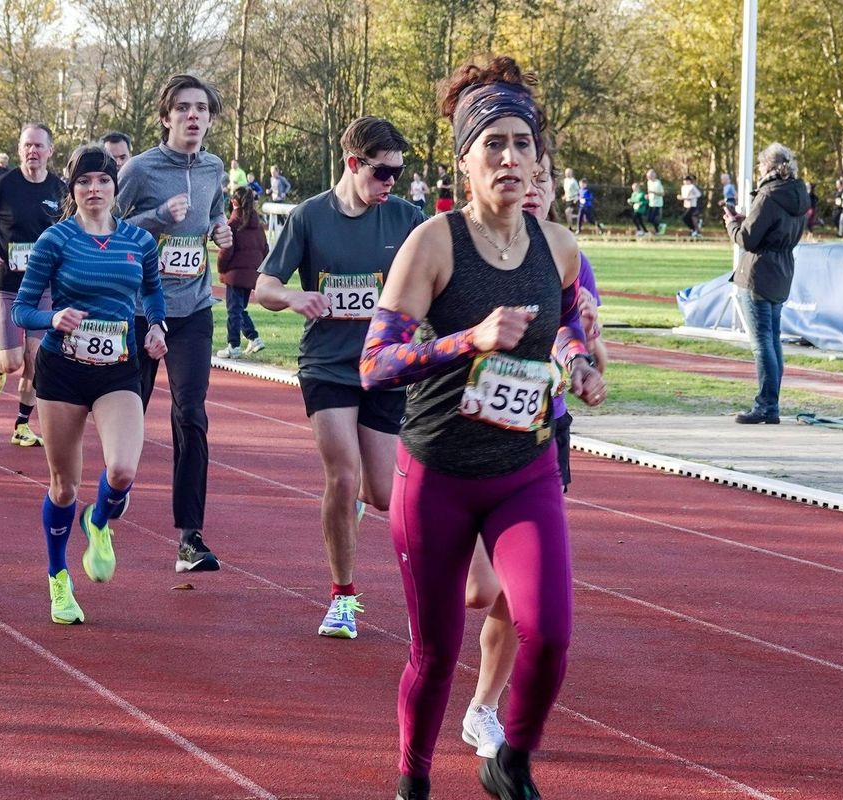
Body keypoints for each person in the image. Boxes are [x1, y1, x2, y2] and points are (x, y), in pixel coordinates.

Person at [357, 55, 604, 800]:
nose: (509, 158)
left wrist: (580, 364)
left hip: (521, 470)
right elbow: (375, 365)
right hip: (435, 476)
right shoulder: (433, 245)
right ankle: (414, 781)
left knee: (551, 631)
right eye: (492, 144)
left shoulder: (558, 248)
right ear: (463, 159)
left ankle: (511, 761)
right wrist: (470, 339)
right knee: (436, 652)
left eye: (522, 144)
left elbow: (565, 332)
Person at [458, 145, 608, 764]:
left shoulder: (570, 257)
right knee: (475, 592)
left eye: (546, 180)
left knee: (520, 595)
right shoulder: (467, 249)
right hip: (463, 442)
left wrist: (584, 359)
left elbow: (593, 351)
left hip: (540, 438)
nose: (535, 188)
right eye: (530, 178)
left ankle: (483, 706)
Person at [256, 115, 424, 639]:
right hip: (327, 367)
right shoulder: (309, 218)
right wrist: (293, 296)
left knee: (379, 493)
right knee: (343, 475)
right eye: (382, 173)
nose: (390, 182)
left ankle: (349, 515)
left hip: (384, 369)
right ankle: (342, 597)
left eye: (398, 172)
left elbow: (440, 278)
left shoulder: (408, 219)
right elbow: (263, 286)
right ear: (353, 164)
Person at [11, 144, 167, 624]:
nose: (93, 189)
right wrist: (52, 317)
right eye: (84, 182)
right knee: (63, 486)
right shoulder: (55, 241)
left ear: (115, 188)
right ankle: (58, 579)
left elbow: (153, 291)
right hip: (62, 372)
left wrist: (158, 328)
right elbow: (22, 309)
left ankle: (98, 520)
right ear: (72, 190)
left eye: (102, 181)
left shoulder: (138, 241)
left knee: (122, 471)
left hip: (119, 368)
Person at [116, 73, 232, 572]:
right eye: (183, 108)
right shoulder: (141, 170)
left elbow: (216, 212)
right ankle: (114, 486)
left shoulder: (213, 167)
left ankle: (191, 538)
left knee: (192, 415)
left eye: (201, 109)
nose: (193, 116)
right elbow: (106, 226)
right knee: (130, 414)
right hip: (141, 311)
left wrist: (221, 227)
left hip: (194, 311)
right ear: (165, 117)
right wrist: (158, 216)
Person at [0, 123, 66, 446]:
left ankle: (22, 424)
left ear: (50, 151)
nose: (33, 152)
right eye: (27, 146)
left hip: (44, 287)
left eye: (39, 146)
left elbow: (73, 229)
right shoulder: (4, 185)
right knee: (13, 360)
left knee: (36, 356)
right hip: (10, 285)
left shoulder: (60, 190)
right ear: (19, 150)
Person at [724, 143, 809, 426]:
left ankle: (766, 405)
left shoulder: (769, 195)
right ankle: (770, 404)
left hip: (759, 272)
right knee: (772, 341)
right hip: (783, 269)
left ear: (769, 167)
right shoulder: (798, 193)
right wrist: (746, 221)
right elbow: (772, 228)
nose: (758, 170)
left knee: (762, 344)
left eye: (761, 166)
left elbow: (748, 239)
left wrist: (732, 225)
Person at [215, 187, 267, 359]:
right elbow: (265, 249)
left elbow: (226, 251)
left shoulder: (233, 224)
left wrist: (222, 268)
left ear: (234, 202)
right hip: (252, 274)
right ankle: (254, 337)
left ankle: (233, 345)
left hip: (235, 274)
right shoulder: (258, 225)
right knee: (239, 308)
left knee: (233, 311)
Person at [645, 168, 666, 234]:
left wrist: (653, 192)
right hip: (651, 203)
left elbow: (662, 194)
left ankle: (659, 228)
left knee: (652, 218)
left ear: (654, 175)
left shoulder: (658, 183)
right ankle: (659, 227)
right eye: (647, 176)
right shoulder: (649, 182)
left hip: (657, 204)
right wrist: (647, 196)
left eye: (649, 176)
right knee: (649, 219)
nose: (648, 177)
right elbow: (649, 192)